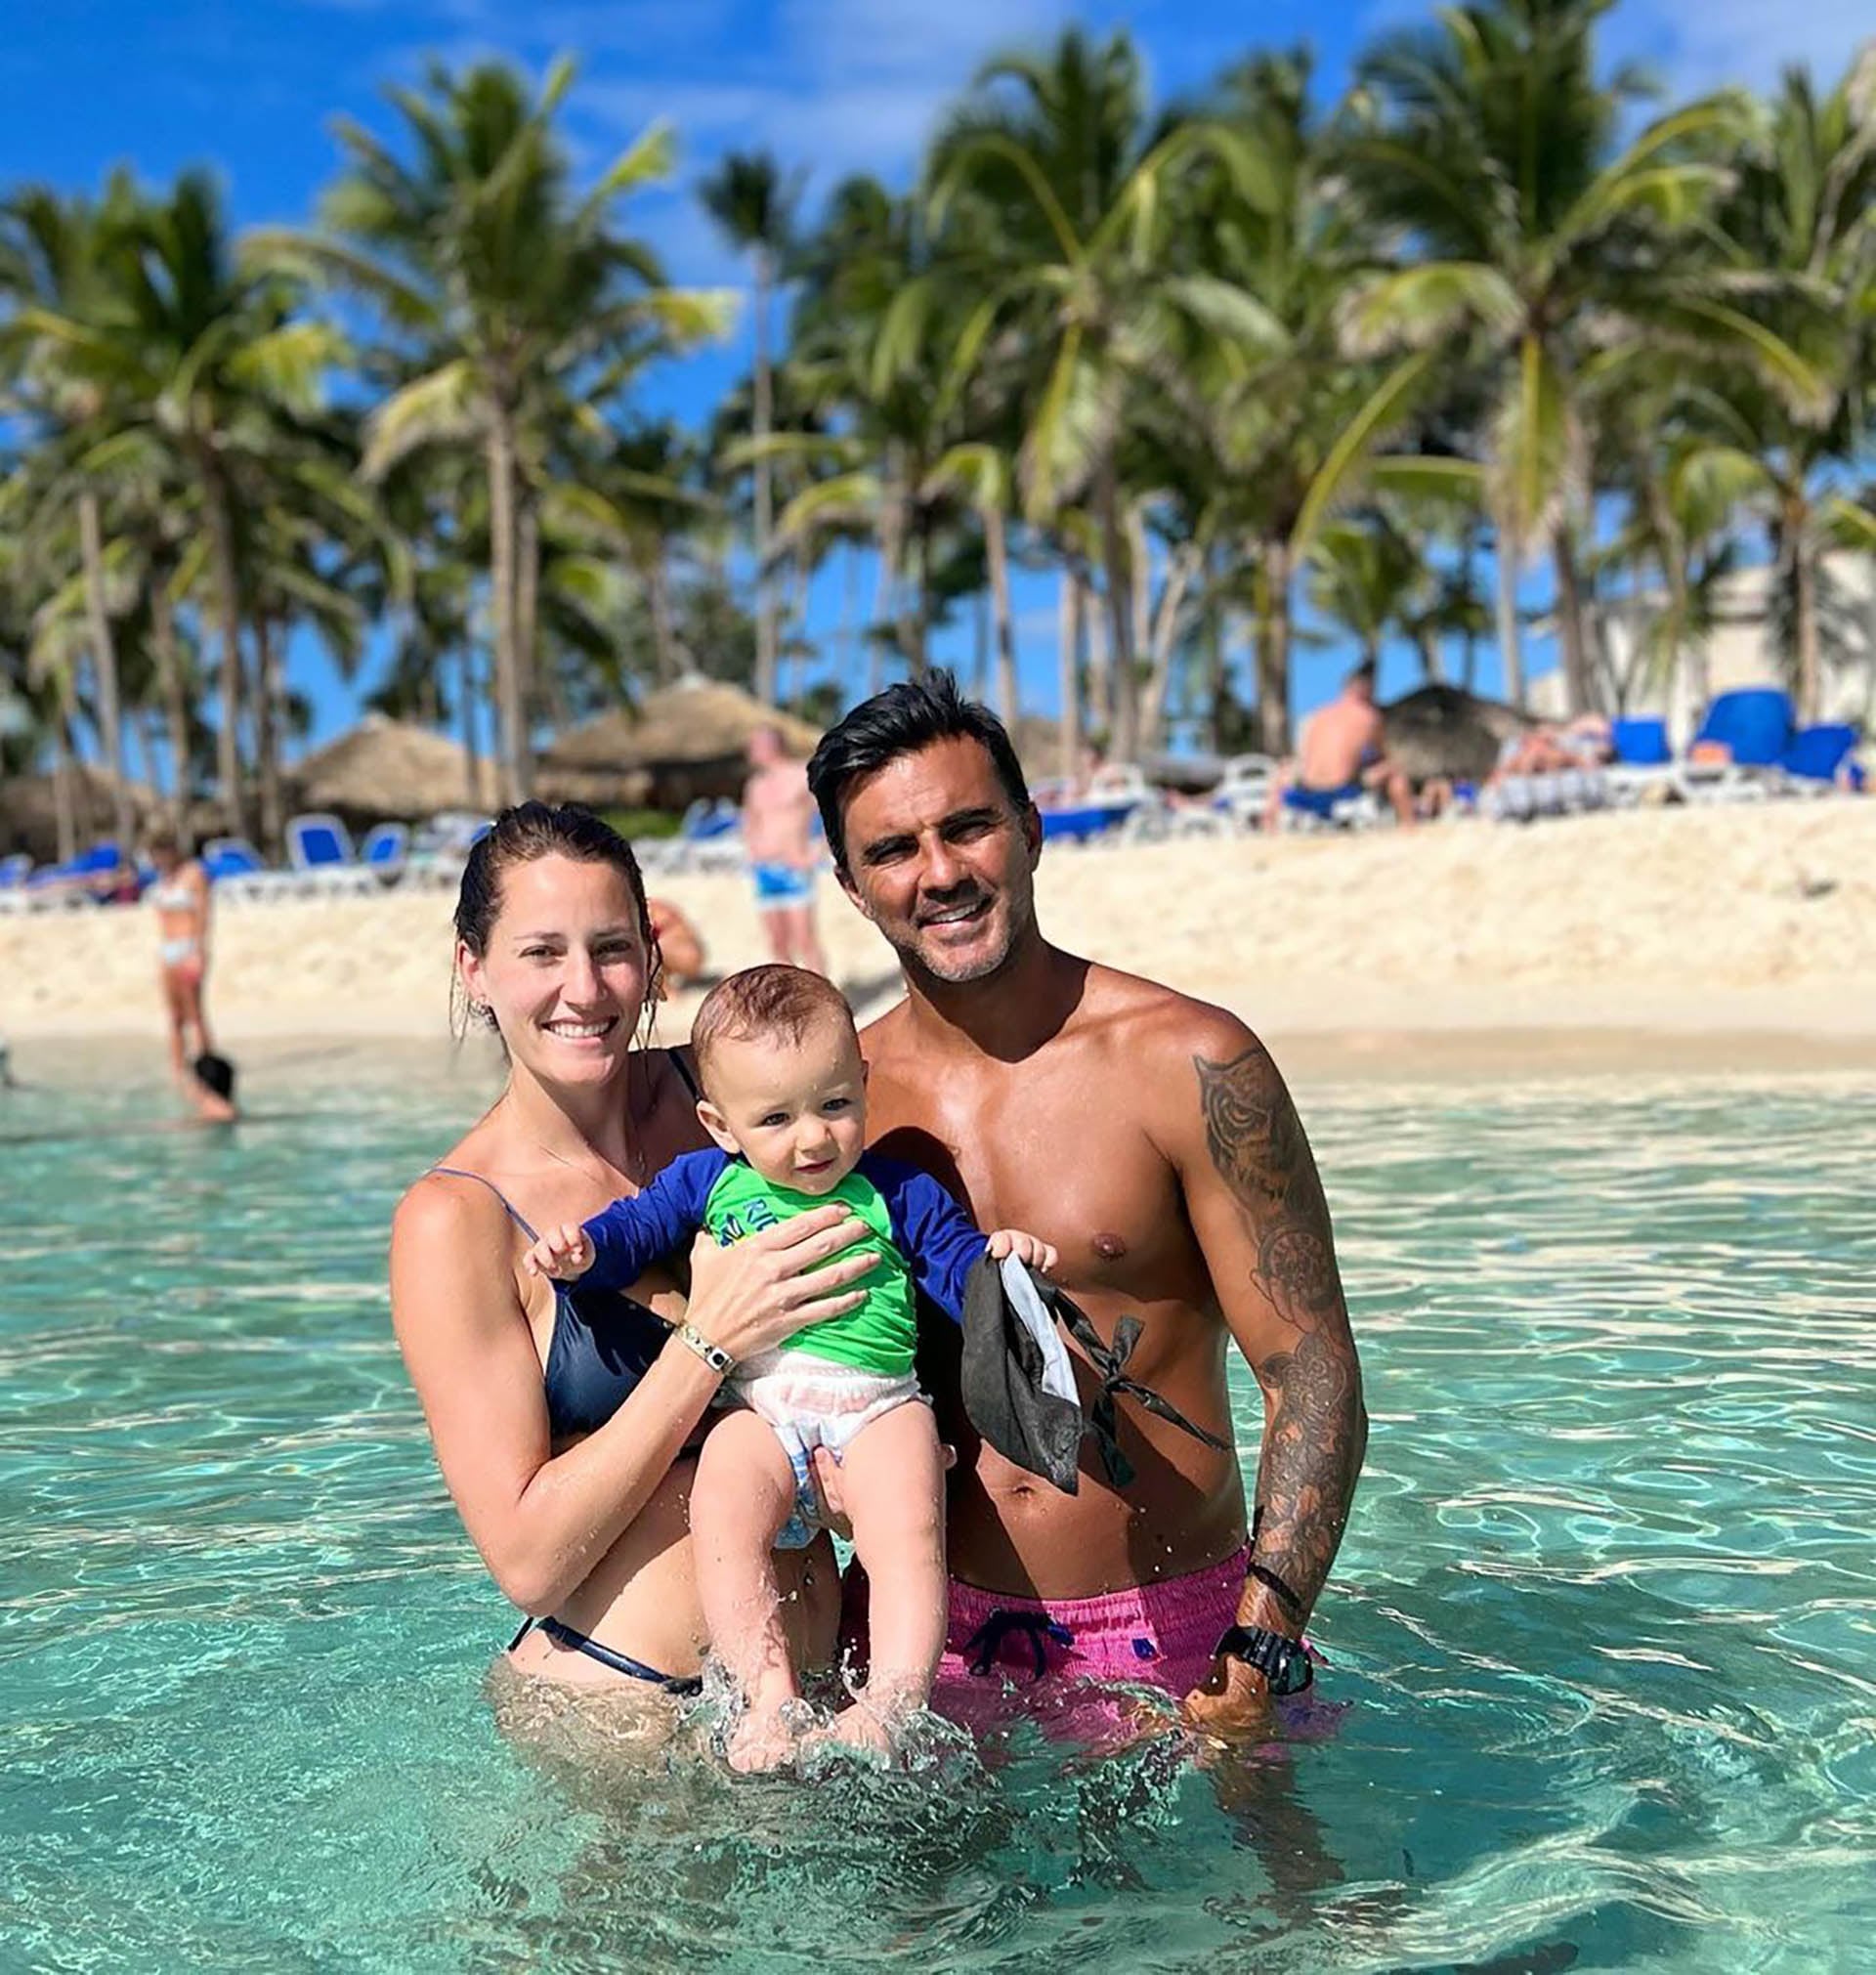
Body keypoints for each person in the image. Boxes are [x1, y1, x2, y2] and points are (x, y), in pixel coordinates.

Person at [806, 673, 1367, 1744]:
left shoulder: (1188, 1060)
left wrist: (1260, 1644)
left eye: (968, 827)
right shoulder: (834, 1112)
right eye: (893, 849)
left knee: (1280, 1913)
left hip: (1188, 1638)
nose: (941, 873)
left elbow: (1314, 1368)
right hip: (914, 1639)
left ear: (1030, 828)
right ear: (849, 880)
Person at [388, 802, 881, 1705]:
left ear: (651, 959)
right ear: (475, 967)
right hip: (633, 1712)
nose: (586, 987)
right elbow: (528, 1560)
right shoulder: (456, 1219)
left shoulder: (730, 1095)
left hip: (827, 1684)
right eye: (542, 952)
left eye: (612, 947)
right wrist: (709, 1341)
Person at [522, 963, 1057, 1769]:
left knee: (908, 1528)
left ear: (863, 1084)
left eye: (835, 1105)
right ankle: (767, 1691)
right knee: (723, 1512)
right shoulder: (709, 1182)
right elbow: (638, 1228)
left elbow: (955, 1271)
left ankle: (892, 1698)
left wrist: (1003, 1267)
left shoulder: (896, 1189)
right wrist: (587, 1249)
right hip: (762, 1410)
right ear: (719, 1121)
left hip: (878, 1404)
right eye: (776, 1117)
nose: (813, 1137)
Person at [1263, 661, 1415, 829]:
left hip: (1305, 791)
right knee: (1395, 769)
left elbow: (1303, 756)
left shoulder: (1318, 715)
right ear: (1368, 690)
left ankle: (1268, 825)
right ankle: (1408, 825)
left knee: (1283, 769)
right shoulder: (1368, 716)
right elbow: (1382, 753)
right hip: (1341, 792)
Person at [742, 725, 829, 974]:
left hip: (794, 867)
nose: (750, 752)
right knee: (778, 943)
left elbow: (832, 811)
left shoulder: (800, 775)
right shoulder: (755, 785)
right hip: (764, 869)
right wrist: (752, 850)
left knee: (805, 940)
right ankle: (793, 1005)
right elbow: (750, 822)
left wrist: (816, 852)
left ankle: (824, 1002)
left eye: (755, 745)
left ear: (771, 745)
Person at [146, 829, 214, 1086]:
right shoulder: (164, 880)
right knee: (173, 1016)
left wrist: (198, 950)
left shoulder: (194, 874)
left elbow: (204, 915)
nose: (158, 861)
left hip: (188, 947)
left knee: (195, 1014)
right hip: (167, 949)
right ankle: (177, 1069)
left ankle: (206, 1066)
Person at [647, 897, 706, 992]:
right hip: (690, 952)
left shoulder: (651, 909)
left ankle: (667, 991)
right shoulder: (654, 907)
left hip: (687, 954)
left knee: (649, 948)